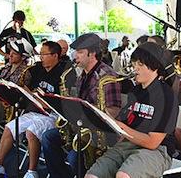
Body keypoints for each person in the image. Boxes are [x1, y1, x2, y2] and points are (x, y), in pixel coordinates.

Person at [85, 42, 178, 178]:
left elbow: (152, 142)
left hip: (157, 150)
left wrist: (121, 127)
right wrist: (105, 116)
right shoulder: (136, 91)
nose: (135, 69)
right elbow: (125, 121)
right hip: (128, 144)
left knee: (123, 176)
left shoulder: (165, 96)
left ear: (155, 66)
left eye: (140, 64)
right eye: (134, 64)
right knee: (92, 176)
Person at [0, 41, 65, 178]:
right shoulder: (37, 69)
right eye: (40, 54)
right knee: (9, 127)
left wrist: (33, 95)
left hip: (52, 115)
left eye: (44, 54)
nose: (40, 57)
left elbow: (58, 102)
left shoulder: (62, 73)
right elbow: (28, 89)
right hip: (35, 111)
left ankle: (32, 171)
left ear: (55, 55)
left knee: (31, 132)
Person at [41, 33, 122, 178]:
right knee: (48, 137)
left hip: (98, 132)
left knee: (74, 157)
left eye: (79, 52)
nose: (75, 56)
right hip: (80, 126)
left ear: (92, 54)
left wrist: (88, 112)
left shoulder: (107, 76)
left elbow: (113, 111)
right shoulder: (82, 74)